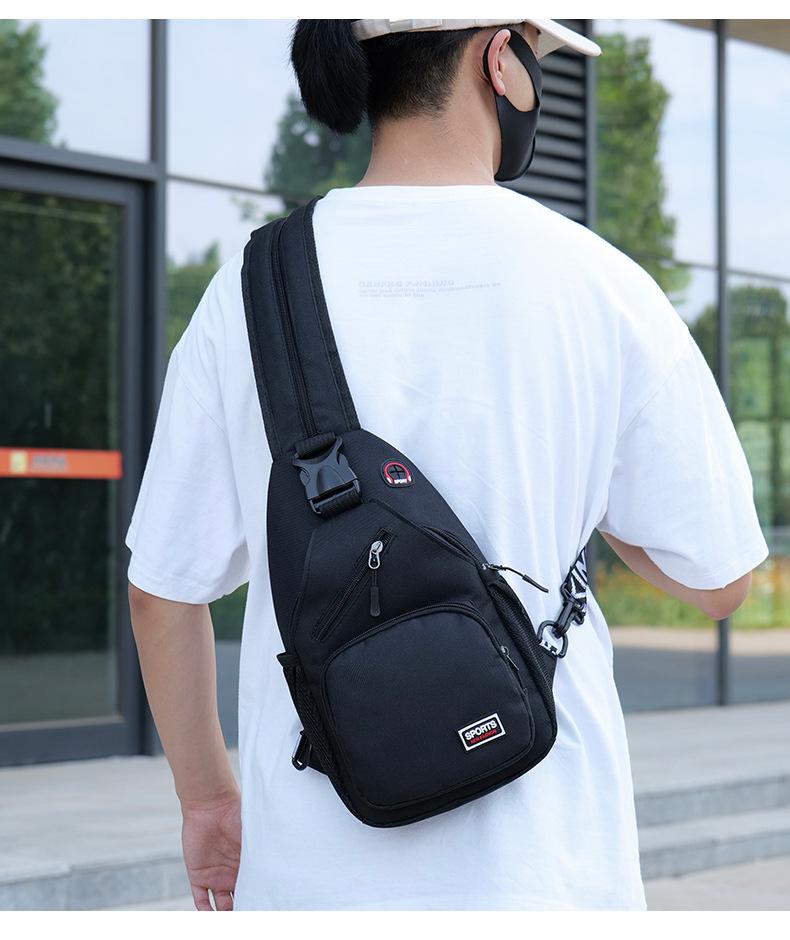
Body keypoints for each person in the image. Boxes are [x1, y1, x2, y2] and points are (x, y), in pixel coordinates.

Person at [126, 19, 769, 911]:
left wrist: (207, 802)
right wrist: (587, 502)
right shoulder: (603, 283)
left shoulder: (251, 287)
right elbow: (720, 581)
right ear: (499, 58)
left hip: (314, 878)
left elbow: (162, 593)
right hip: (550, 875)